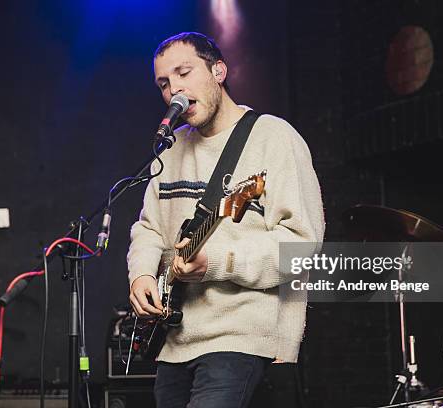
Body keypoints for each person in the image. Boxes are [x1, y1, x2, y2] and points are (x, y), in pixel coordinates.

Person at [127, 32, 325, 408]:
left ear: (218, 70)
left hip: (243, 335)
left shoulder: (274, 138)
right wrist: (141, 275)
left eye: (184, 73)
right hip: (174, 342)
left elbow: (302, 247)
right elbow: (149, 228)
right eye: (164, 83)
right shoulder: (170, 151)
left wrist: (217, 262)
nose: (174, 91)